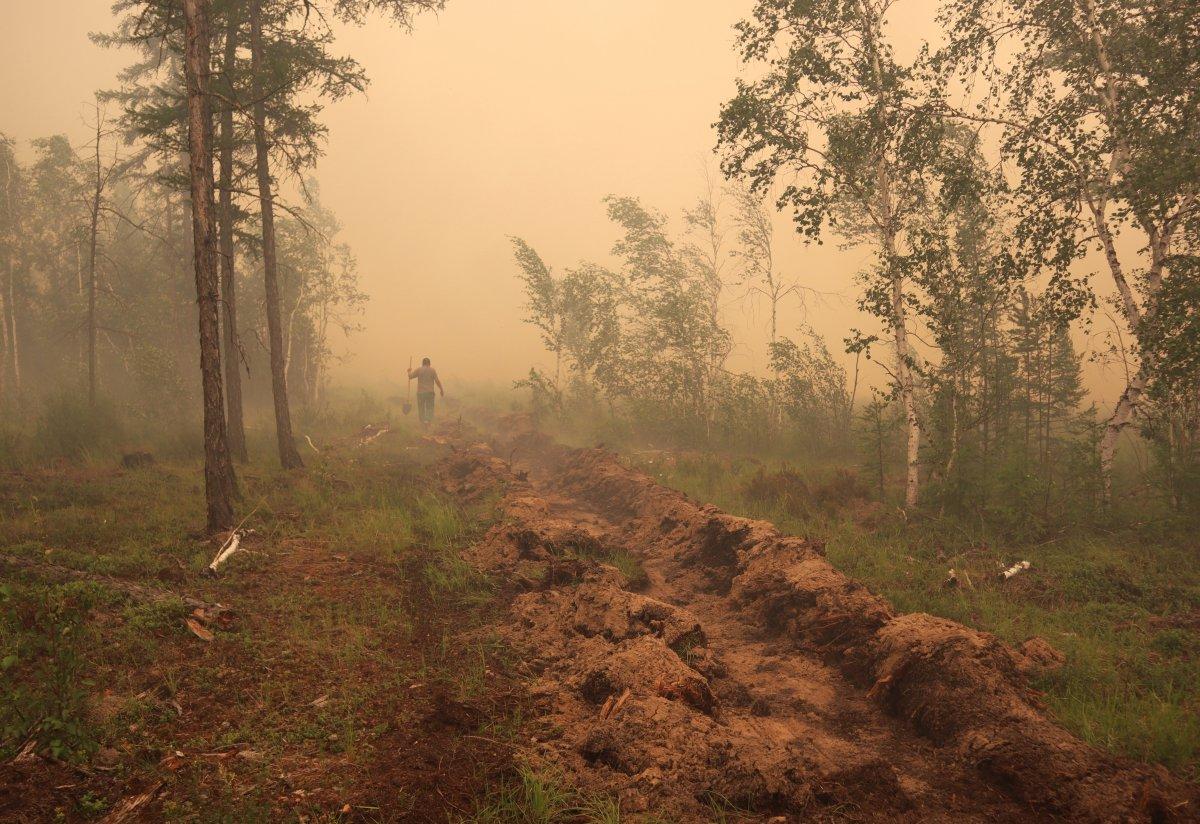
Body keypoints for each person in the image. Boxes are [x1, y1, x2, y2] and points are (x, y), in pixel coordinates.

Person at [407, 356, 444, 427]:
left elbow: (410, 376)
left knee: (421, 408)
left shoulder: (419, 370)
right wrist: (441, 389)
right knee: (429, 407)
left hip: (420, 393)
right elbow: (437, 381)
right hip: (430, 393)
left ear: (422, 363)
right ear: (429, 363)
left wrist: (409, 371)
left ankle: (422, 422)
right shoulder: (432, 370)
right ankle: (428, 421)